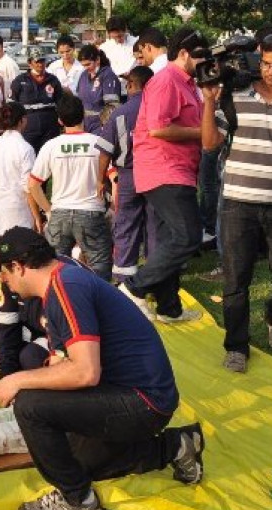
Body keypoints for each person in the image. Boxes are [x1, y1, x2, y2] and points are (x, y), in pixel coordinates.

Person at [0, 226, 205, 510]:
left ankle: (77, 500)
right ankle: (176, 445)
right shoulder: (63, 278)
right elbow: (70, 357)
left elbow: (86, 372)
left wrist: (16, 379)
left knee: (28, 404)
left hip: (143, 401)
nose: (6, 283)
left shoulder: (66, 285)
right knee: (78, 461)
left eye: (6, 275)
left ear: (19, 266)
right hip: (135, 393)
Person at [121, 27, 207, 323]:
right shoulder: (166, 81)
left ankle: (168, 307)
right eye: (201, 57)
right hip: (165, 170)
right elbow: (158, 128)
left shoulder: (187, 83)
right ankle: (133, 288)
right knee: (188, 236)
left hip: (175, 169)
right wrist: (202, 132)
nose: (205, 64)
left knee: (172, 237)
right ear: (183, 54)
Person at [200, 37, 272, 373]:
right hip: (238, 205)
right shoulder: (237, 97)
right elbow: (210, 143)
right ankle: (237, 347)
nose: (270, 72)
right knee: (236, 281)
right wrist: (209, 103)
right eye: (267, 64)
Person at [27, 95, 112, 280]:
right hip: (91, 214)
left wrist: (48, 211)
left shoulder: (51, 146)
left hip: (60, 214)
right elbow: (113, 178)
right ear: (83, 115)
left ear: (59, 120)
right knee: (100, 270)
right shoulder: (98, 143)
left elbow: (33, 184)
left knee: (53, 273)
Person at [95, 66, 155, 283]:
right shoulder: (159, 108)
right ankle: (154, 278)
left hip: (128, 175)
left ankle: (123, 279)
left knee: (126, 226)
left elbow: (104, 151)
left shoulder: (120, 113)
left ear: (131, 86)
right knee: (154, 226)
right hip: (156, 175)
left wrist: (100, 179)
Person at [0, 102, 37, 243]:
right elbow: (28, 187)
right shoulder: (26, 148)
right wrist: (37, 216)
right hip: (17, 209)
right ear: (22, 120)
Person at [11, 50, 64, 153]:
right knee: (28, 154)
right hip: (28, 126)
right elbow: (13, 104)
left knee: (49, 154)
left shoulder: (53, 80)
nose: (40, 64)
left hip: (50, 126)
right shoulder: (20, 80)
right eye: (37, 61)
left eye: (42, 61)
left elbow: (60, 102)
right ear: (30, 63)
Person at [75, 45, 121, 134]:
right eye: (83, 65)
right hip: (83, 124)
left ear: (97, 60)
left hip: (100, 125)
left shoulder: (108, 76)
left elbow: (112, 105)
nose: (86, 68)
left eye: (88, 64)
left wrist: (105, 127)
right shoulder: (84, 75)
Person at [99, 16, 138, 95]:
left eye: (120, 36)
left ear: (125, 30)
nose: (118, 39)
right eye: (114, 37)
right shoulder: (104, 47)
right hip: (112, 89)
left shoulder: (136, 43)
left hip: (134, 88)